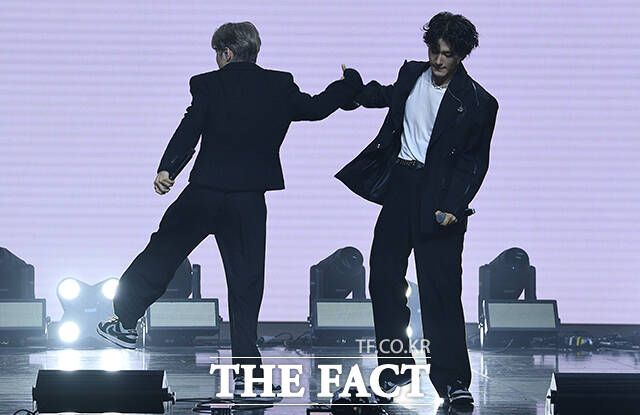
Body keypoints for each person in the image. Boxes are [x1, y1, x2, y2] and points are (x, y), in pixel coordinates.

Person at [97, 21, 362, 399]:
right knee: (246, 285)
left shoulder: (208, 84)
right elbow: (318, 107)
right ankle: (247, 375)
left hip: (204, 192)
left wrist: (168, 168)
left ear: (227, 53)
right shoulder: (279, 85)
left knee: (163, 252)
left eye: (217, 54)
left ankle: (123, 319)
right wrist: (349, 83)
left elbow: (190, 128)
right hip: (248, 200)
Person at [336, 12, 498, 408]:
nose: (439, 60)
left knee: (441, 290)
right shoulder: (412, 74)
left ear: (462, 55)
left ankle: (453, 381)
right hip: (401, 186)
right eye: (434, 51)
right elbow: (385, 96)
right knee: (383, 278)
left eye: (448, 54)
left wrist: (453, 205)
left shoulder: (479, 102)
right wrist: (353, 87)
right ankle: (395, 369)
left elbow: (474, 162)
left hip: (439, 199)